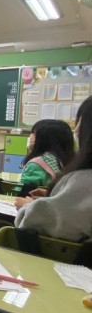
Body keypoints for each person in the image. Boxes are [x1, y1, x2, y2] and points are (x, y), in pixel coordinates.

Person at [14, 96, 92, 241]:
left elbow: (38, 221)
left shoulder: (80, 178)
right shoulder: (68, 161)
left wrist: (29, 206)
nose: (76, 130)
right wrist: (55, 196)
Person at [20, 119, 75, 188]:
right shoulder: (74, 161)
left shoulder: (36, 164)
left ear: (43, 139)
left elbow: (23, 190)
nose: (30, 136)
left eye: (33, 133)